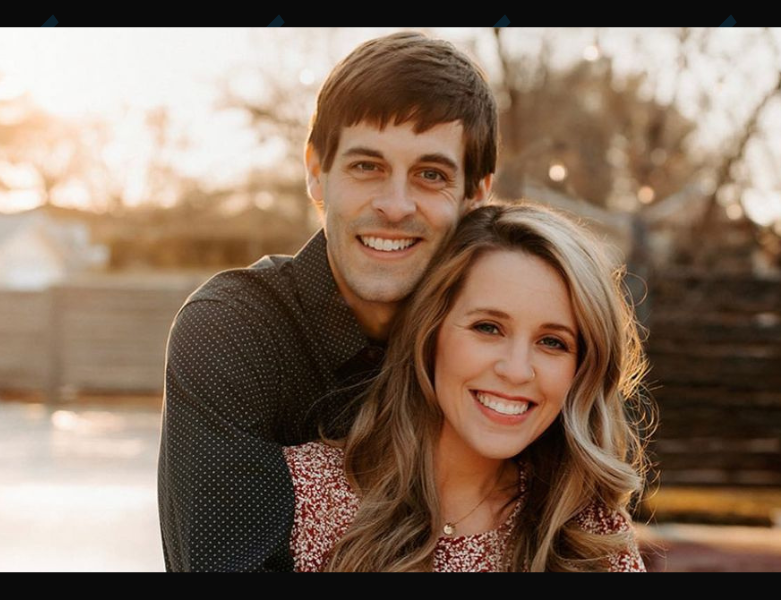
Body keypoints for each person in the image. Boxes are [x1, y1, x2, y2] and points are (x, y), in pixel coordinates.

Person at [157, 31, 497, 571]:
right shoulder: (229, 333)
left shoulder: (496, 344)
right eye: (368, 166)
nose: (394, 205)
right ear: (316, 172)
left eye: (430, 175)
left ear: (476, 194)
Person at [283, 202, 655, 571]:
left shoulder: (590, 535)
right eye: (488, 328)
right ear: (430, 331)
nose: (516, 371)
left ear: (581, 368)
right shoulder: (303, 493)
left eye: (552, 342)